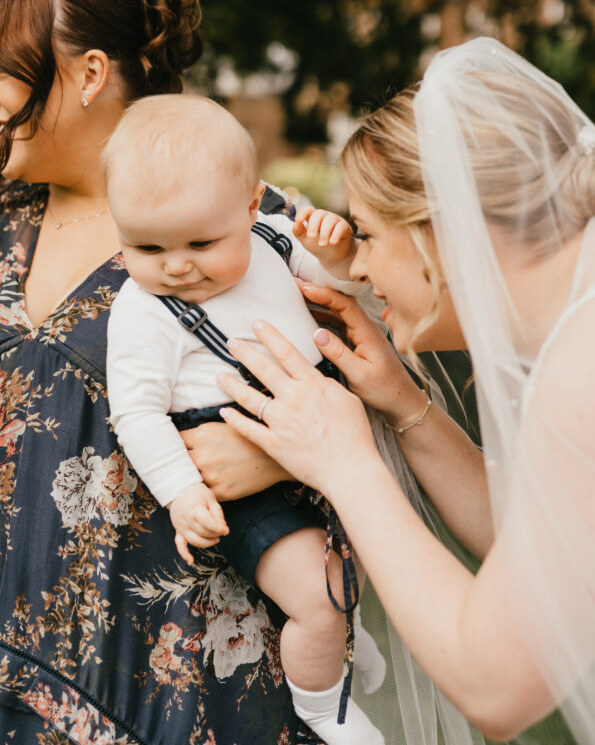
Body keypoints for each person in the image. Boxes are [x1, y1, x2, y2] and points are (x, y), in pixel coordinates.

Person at [0, 0, 316, 745]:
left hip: (158, 685)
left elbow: (357, 387)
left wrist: (276, 446)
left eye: (3, 70)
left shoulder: (241, 223)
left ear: (89, 72)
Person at [208, 37, 595, 745]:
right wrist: (405, 407)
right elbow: (541, 548)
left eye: (368, 234)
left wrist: (345, 464)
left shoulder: (580, 366)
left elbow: (495, 684)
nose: (356, 265)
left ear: (442, 233)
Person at [104, 94, 387, 745]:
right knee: (316, 593)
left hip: (315, 428)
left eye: (201, 242)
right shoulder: (144, 312)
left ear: (252, 206)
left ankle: (345, 632)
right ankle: (323, 708)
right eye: (145, 246)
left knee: (359, 551)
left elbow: (348, 287)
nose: (176, 265)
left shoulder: (271, 240)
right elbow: (137, 413)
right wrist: (181, 490)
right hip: (243, 466)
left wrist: (337, 252)